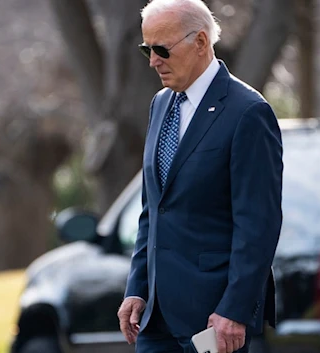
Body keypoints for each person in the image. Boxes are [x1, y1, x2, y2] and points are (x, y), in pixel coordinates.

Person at [117, 1, 283, 352]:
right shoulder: (160, 104)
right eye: (148, 49)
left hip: (214, 321)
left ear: (201, 42)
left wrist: (234, 310)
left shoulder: (248, 112)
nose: (153, 61)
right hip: (155, 319)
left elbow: (258, 224)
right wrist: (137, 288)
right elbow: (153, 210)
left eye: (162, 49)